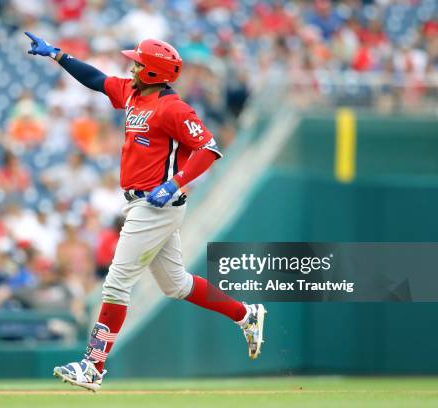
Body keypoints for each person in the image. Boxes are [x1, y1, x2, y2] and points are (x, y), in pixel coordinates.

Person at [25, 32, 267, 391]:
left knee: (117, 283)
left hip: (157, 205)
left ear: (153, 72)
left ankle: (93, 366)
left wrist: (176, 182)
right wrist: (59, 55)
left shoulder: (174, 108)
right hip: (141, 202)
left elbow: (209, 148)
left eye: (138, 62)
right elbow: (96, 79)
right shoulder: (134, 93)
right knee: (176, 284)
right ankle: (245, 314)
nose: (131, 65)